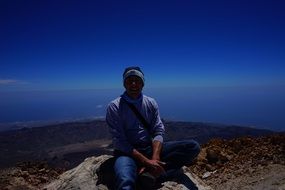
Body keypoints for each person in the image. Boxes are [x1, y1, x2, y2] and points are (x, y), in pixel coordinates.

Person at [106, 66, 200, 190]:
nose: (133, 84)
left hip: (149, 149)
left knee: (193, 147)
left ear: (143, 83)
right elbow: (119, 141)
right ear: (124, 83)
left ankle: (150, 173)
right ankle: (156, 174)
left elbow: (158, 130)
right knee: (126, 180)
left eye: (137, 80)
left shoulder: (150, 102)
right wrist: (146, 161)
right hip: (126, 154)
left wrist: (155, 158)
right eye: (129, 80)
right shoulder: (115, 107)